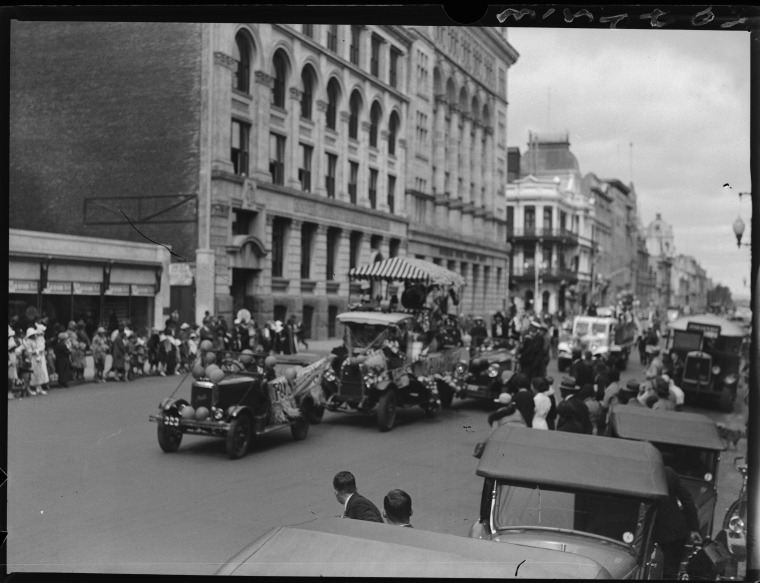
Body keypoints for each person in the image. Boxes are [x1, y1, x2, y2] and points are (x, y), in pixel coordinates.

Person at [652, 466, 702, 580]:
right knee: (670, 570)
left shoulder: (649, 472)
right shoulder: (669, 473)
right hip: (675, 530)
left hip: (655, 528)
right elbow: (687, 500)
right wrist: (693, 528)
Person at [24, 327, 48, 395]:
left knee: (39, 372)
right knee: (35, 373)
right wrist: (37, 351)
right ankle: (37, 387)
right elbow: (29, 351)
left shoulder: (35, 340)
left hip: (38, 358)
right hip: (33, 359)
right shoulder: (28, 341)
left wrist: (40, 351)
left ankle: (39, 387)